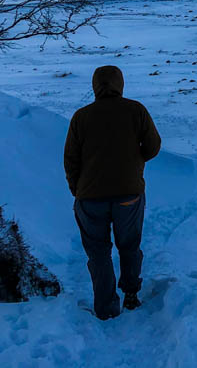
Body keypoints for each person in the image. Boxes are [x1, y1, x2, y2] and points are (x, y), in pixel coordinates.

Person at [63, 65, 161, 320]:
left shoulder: (81, 117)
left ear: (95, 85)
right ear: (121, 84)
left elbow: (71, 159)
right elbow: (153, 147)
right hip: (129, 195)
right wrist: (133, 161)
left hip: (90, 197)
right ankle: (130, 294)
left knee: (98, 253)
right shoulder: (136, 110)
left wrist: (78, 190)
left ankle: (106, 309)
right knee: (129, 246)